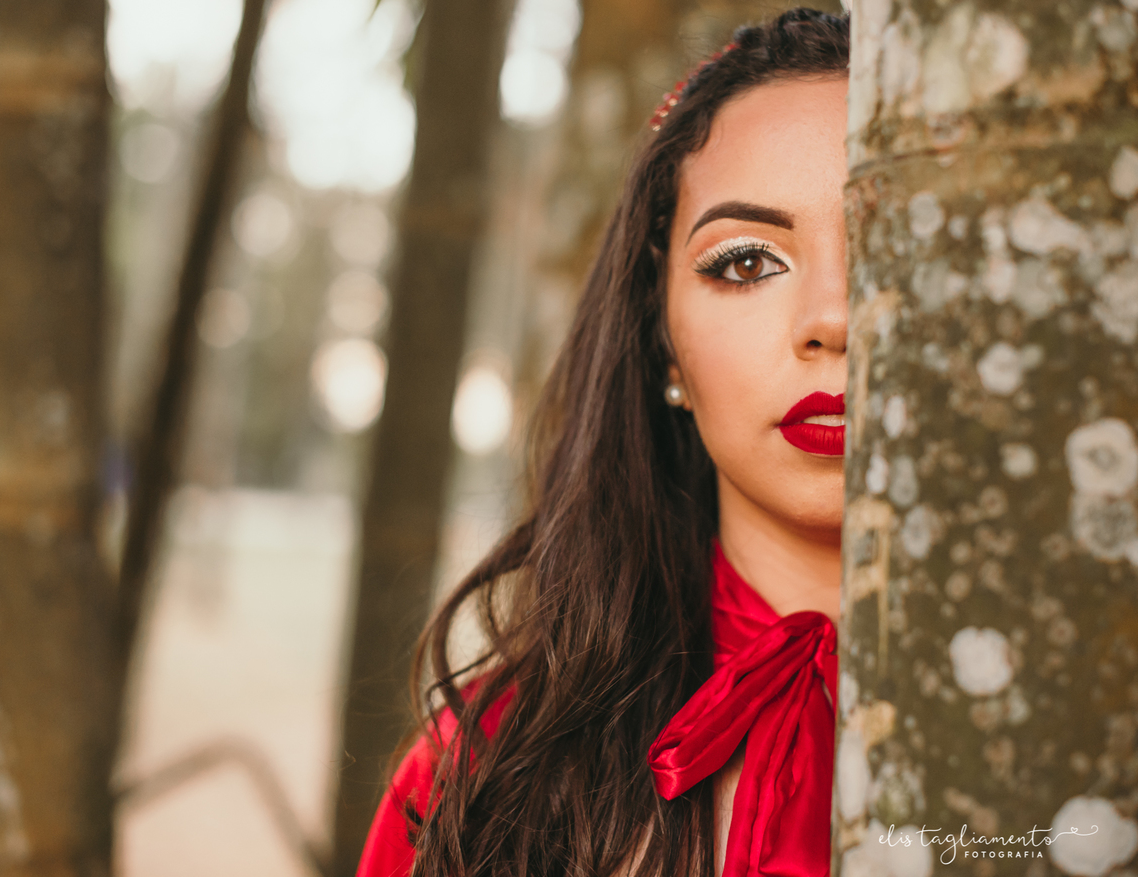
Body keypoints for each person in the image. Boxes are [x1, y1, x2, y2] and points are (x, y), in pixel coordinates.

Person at [356, 7, 850, 876]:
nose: (832, 319)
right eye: (746, 262)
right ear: (664, 343)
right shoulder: (485, 770)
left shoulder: (1085, 718)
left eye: (894, 245)